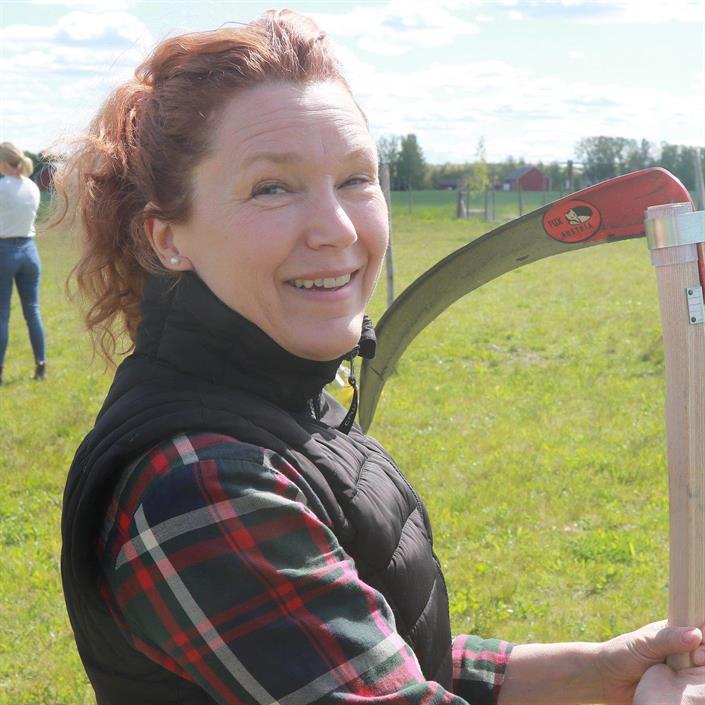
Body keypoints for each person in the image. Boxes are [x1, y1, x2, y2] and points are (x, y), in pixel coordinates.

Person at [57, 10, 705, 705]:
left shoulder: (276, 401)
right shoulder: (203, 481)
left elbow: (367, 646)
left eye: (356, 180)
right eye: (272, 187)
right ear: (167, 238)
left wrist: (593, 671)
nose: (337, 229)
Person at [0, 142, 47, 385]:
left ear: (3, 163)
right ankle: (41, 365)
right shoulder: (32, 187)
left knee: (2, 315)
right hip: (30, 251)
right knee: (33, 311)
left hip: (5, 251)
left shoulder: (2, 187)